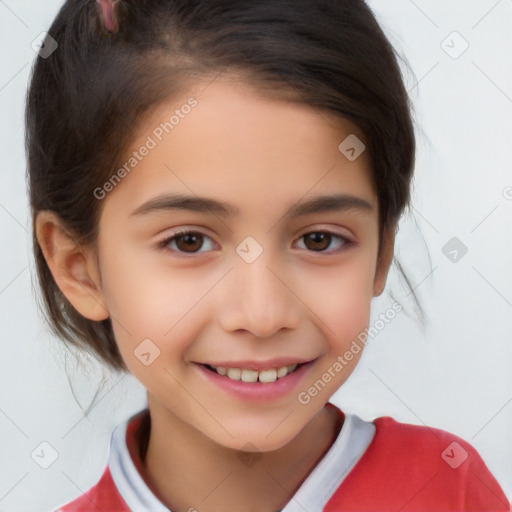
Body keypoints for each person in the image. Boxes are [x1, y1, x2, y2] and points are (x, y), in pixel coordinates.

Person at [26, 0, 510, 510]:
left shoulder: (447, 490)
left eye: (319, 239)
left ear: (381, 251)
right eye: (188, 241)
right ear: (78, 268)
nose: (261, 315)